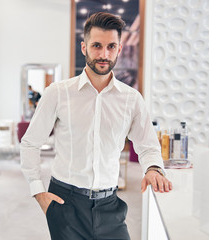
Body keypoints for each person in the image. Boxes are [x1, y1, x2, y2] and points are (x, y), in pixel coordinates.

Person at [20, 12, 172, 240]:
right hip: (65, 204)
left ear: (120, 49)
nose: (104, 54)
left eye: (111, 46)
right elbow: (31, 143)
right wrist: (38, 191)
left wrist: (153, 169)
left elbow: (148, 146)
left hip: (110, 205)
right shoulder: (58, 93)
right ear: (84, 47)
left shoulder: (132, 99)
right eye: (97, 46)